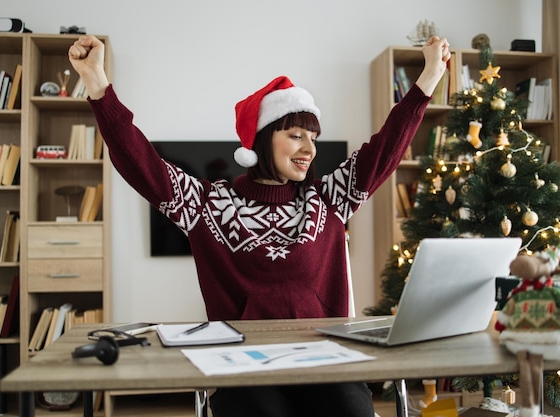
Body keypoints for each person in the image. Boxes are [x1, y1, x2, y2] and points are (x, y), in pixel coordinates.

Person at [69, 34, 450, 417]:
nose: (309, 149)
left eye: (313, 138)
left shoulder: (328, 199)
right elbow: (141, 163)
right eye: (296, 135)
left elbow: (387, 146)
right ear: (263, 139)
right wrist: (98, 85)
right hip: (245, 367)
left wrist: (430, 76)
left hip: (326, 363)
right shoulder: (208, 205)